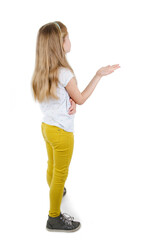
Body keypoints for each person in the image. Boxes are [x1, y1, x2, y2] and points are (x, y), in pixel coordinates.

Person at [31, 21, 120, 233]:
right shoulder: (64, 73)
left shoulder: (42, 71)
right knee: (61, 173)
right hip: (62, 133)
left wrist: (68, 101)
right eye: (67, 37)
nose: (70, 40)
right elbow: (80, 99)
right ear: (60, 44)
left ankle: (56, 190)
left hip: (47, 128)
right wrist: (98, 75)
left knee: (52, 167)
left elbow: (59, 98)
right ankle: (54, 217)